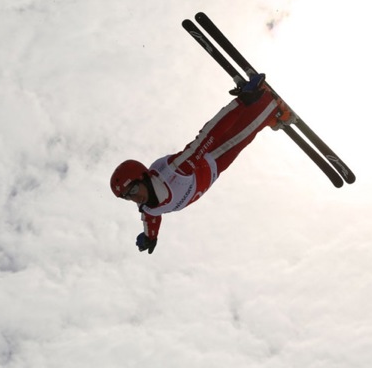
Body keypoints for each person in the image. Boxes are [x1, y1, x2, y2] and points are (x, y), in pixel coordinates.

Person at [110, 74, 291, 254]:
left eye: (132, 191)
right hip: (207, 175)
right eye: (127, 197)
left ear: (143, 177)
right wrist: (150, 238)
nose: (133, 198)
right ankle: (261, 106)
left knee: (238, 137)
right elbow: (151, 219)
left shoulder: (177, 169)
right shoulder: (147, 206)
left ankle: (271, 106)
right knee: (238, 136)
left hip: (207, 163)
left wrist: (242, 101)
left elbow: (208, 135)